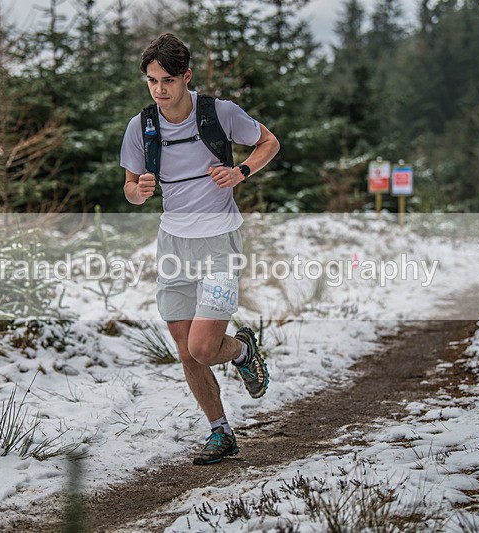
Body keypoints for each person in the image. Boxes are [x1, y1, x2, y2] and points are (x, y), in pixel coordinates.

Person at [120, 33, 280, 465]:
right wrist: (141, 191)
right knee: (183, 346)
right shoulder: (142, 126)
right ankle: (220, 431)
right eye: (152, 80)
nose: (159, 89)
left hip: (219, 242)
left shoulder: (218, 113)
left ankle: (243, 350)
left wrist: (240, 171)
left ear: (186, 77)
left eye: (168, 79)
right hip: (172, 243)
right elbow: (130, 189)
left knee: (204, 347)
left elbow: (269, 142)